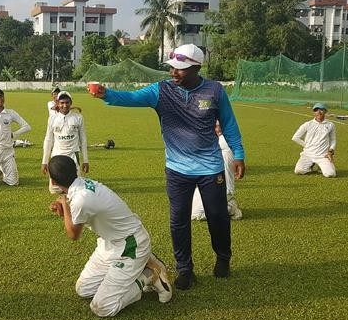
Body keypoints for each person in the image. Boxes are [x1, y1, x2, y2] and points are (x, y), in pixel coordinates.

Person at [89, 43, 245, 290]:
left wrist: (238, 154)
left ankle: (223, 258)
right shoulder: (161, 91)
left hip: (210, 168)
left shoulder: (214, 91)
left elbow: (229, 124)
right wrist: (106, 93)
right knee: (178, 220)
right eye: (172, 67)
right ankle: (185, 269)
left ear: (196, 67)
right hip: (177, 168)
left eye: (181, 69)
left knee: (217, 216)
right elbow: (131, 98)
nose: (174, 72)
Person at [47, 155, 173, 317]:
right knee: (83, 290)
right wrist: (64, 208)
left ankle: (148, 275)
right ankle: (139, 266)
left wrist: (63, 203)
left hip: (130, 245)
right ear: (75, 169)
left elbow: (73, 234)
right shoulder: (83, 185)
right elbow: (78, 217)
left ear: (53, 181)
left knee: (103, 307)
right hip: (109, 244)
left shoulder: (80, 199)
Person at [191, 122, 242, 221]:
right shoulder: (222, 142)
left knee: (195, 214)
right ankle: (227, 203)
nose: (216, 129)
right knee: (188, 205)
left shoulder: (224, 142)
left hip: (222, 190)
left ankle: (231, 209)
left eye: (217, 126)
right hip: (212, 187)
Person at [41, 91, 89, 194]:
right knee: (54, 190)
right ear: (57, 103)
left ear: (71, 103)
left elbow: (83, 139)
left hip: (73, 155)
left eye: (67, 102)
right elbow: (48, 140)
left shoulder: (78, 118)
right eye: (62, 103)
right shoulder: (52, 118)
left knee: (77, 189)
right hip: (57, 155)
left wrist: (85, 160)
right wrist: (44, 162)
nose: (65, 105)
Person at [292, 102, 337, 178]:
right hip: (308, 154)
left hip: (323, 155)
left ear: (325, 111)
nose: (319, 112)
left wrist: (331, 151)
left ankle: (321, 167)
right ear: (314, 112)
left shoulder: (330, 125)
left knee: (330, 174)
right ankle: (310, 166)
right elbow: (295, 137)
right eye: (316, 110)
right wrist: (307, 146)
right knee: (298, 171)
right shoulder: (307, 124)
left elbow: (333, 139)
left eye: (321, 110)